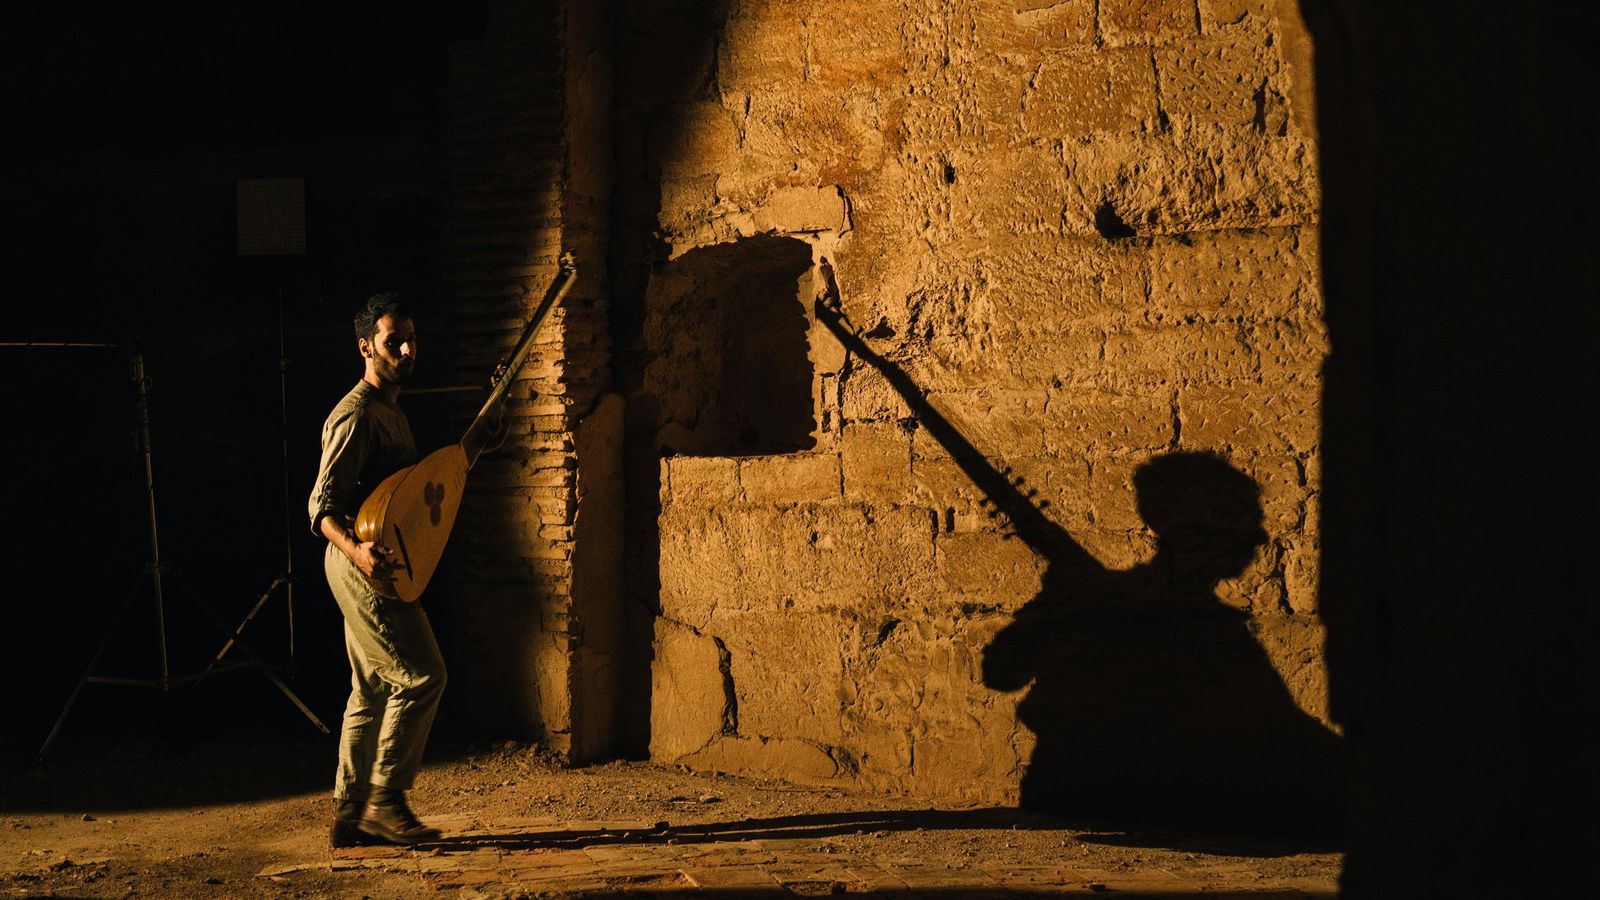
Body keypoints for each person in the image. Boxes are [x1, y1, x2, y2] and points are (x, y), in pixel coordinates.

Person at [308, 293, 447, 848]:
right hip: (360, 565)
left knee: (370, 687)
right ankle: (385, 805)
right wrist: (360, 553)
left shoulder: (391, 411)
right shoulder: (357, 414)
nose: (408, 351)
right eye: (394, 342)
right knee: (421, 675)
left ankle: (349, 813)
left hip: (371, 563)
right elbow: (321, 508)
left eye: (412, 339)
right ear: (366, 347)